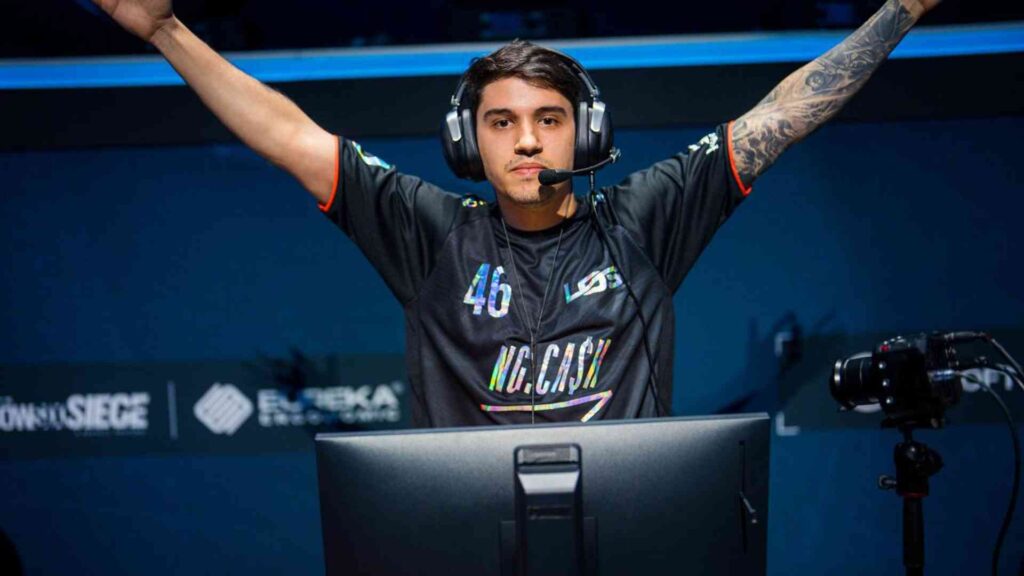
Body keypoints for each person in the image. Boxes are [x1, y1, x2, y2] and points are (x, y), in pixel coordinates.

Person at [92, 0, 941, 427]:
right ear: (469, 143)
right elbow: (290, 137)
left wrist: (899, 10)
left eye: (548, 120)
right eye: (501, 123)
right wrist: (167, 30)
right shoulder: (430, 232)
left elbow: (780, 116)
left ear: (587, 132)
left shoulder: (644, 220)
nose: (527, 140)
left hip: (631, 540)